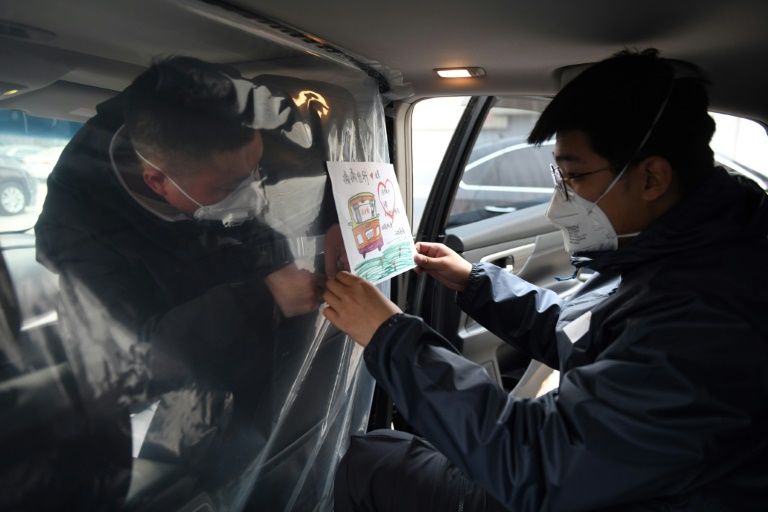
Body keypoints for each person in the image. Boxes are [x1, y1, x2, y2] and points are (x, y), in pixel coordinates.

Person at [323, 49, 768, 511]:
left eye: (575, 177)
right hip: (610, 476)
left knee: (371, 461)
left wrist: (390, 336)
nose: (560, 204)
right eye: (560, 176)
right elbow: (586, 334)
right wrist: (475, 282)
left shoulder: (713, 316)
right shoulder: (685, 255)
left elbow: (537, 467)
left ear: (652, 177)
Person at [34, 56, 338, 507]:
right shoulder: (83, 241)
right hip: (194, 380)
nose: (254, 196)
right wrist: (263, 298)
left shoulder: (215, 108)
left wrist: (335, 220)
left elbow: (317, 128)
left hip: (270, 369)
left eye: (255, 171)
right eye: (230, 186)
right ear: (157, 181)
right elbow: (127, 367)